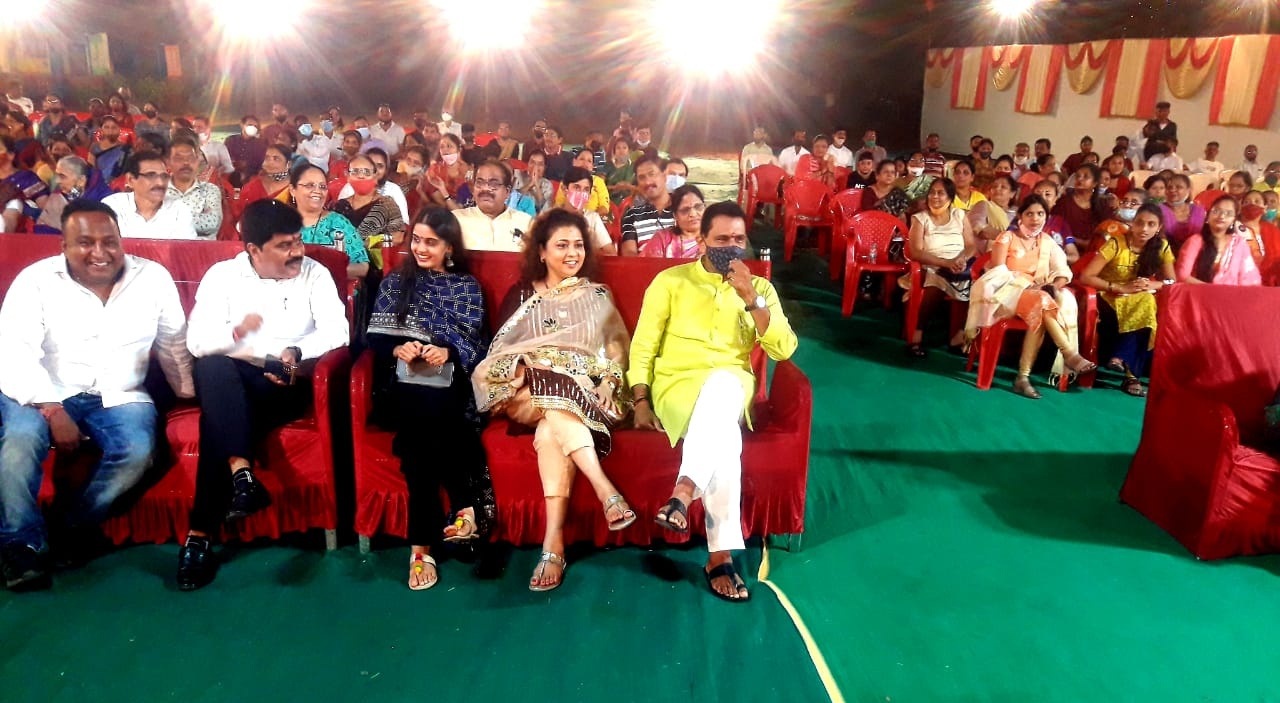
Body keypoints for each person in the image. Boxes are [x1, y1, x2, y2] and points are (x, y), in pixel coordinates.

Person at [0, 200, 194, 591]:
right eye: (85, 243)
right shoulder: (35, 280)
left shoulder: (153, 277)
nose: (100, 252)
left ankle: (71, 528)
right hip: (42, 388)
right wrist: (53, 410)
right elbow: (14, 352)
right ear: (64, 246)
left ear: (122, 240)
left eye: (109, 241)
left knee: (139, 452)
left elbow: (174, 341)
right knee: (19, 443)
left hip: (121, 393)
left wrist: (188, 394)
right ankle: (20, 545)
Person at [176, 199, 350, 590]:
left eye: (298, 241)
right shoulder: (222, 276)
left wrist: (295, 354)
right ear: (253, 249)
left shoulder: (314, 274)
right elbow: (200, 341)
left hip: (288, 381)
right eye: (285, 245)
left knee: (217, 410)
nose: (297, 252)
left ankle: (201, 532)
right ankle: (239, 479)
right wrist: (252, 345)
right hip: (236, 373)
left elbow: (337, 331)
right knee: (214, 368)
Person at [629, 200, 797, 602]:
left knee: (723, 386)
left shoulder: (760, 290)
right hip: (677, 388)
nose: (731, 246)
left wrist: (750, 297)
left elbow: (784, 350)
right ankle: (718, 556)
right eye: (722, 239)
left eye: (739, 239)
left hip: (729, 387)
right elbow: (643, 346)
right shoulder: (671, 281)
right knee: (726, 437)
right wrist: (640, 400)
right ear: (701, 239)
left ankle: (684, 491)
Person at [472, 209, 635, 592]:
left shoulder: (596, 296)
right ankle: (604, 488)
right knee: (550, 384)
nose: (572, 253)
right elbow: (500, 353)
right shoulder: (523, 295)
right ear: (542, 252)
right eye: (562, 245)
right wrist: (532, 366)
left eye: (579, 245)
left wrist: (608, 381)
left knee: (551, 430)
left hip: (580, 395)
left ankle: (553, 542)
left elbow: (615, 351)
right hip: (524, 392)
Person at [367, 207, 494, 590]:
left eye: (431, 242)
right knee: (423, 415)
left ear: (449, 247)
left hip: (450, 383)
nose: (421, 248)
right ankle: (465, 507)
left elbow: (476, 343)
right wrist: (399, 350)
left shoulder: (467, 287)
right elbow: (376, 337)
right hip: (402, 385)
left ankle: (420, 548)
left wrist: (447, 352)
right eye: (416, 240)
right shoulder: (394, 282)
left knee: (419, 439)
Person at [966, 195, 1097, 399]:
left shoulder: (1047, 241)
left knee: (1042, 305)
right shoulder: (1006, 238)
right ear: (1020, 216)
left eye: (1040, 214)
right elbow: (998, 273)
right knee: (1042, 301)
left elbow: (1062, 271)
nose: (1035, 218)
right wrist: (1031, 285)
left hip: (1037, 297)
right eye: (1030, 214)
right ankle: (1069, 353)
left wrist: (1052, 285)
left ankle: (1023, 378)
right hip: (1006, 294)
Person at [1076, 203, 1174, 397]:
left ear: (1159, 227)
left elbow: (1171, 280)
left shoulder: (1161, 247)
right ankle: (1131, 376)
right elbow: (1087, 276)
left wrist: (1153, 285)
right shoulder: (1116, 243)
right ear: (1133, 223)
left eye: (1151, 224)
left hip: (1138, 299)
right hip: (1108, 297)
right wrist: (1120, 288)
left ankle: (1121, 359)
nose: (1144, 229)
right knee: (1146, 307)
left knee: (1146, 302)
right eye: (1140, 223)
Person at [904, 178, 977, 357]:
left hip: (959, 265)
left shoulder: (959, 215)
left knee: (979, 285)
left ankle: (959, 335)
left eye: (940, 193)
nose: (935, 196)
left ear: (950, 197)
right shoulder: (920, 219)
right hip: (931, 265)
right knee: (936, 280)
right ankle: (917, 334)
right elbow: (915, 253)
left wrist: (960, 260)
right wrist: (945, 263)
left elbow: (971, 246)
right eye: (932, 192)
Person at [291, 164, 369, 279]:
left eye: (322, 187)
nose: (317, 191)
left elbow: (362, 267)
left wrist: (327, 272)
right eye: (309, 185)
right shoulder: (280, 223)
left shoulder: (338, 223)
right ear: (292, 190)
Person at [102, 152, 197, 239]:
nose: (160, 183)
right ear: (131, 180)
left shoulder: (179, 210)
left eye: (164, 176)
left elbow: (185, 253)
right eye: (150, 176)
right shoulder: (113, 206)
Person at [333, 154, 406, 267]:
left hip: (376, 267)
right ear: (347, 175)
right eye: (355, 171)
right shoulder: (339, 206)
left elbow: (398, 237)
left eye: (367, 172)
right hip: (342, 266)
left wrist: (370, 242)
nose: (361, 176)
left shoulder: (386, 204)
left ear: (375, 175)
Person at [1175, 195, 1262, 286]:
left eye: (1228, 213)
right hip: (1199, 296)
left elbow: (1250, 279)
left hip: (1232, 297)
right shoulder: (1195, 241)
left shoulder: (1238, 244)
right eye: (1216, 211)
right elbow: (1182, 276)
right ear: (1208, 215)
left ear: (1233, 220)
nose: (1222, 216)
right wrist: (1214, 291)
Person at [454, 160, 534, 252]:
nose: (485, 189)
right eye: (479, 183)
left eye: (494, 184)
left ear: (507, 191)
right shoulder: (457, 220)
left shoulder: (525, 223)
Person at [34, 156, 114, 232]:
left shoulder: (105, 200)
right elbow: (45, 229)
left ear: (81, 181)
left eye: (62, 176)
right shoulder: (60, 194)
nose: (57, 181)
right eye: (57, 176)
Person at [166, 138, 223, 239]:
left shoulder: (210, 190)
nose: (186, 163)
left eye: (191, 158)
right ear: (168, 162)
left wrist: (166, 217)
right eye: (179, 158)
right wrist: (200, 217)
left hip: (203, 253)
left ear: (197, 161)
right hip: (165, 252)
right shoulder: (158, 190)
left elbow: (213, 223)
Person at [335, 148, 410, 223]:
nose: (375, 170)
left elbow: (403, 223)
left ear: (386, 170)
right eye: (370, 165)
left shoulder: (394, 190)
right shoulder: (349, 187)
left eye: (380, 166)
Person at [620, 154, 674, 256]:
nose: (648, 182)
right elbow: (629, 253)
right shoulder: (632, 215)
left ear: (664, 175)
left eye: (652, 174)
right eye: (641, 177)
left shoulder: (682, 210)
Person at [1052, 164, 1112, 251]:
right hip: (1066, 250)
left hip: (1094, 252)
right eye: (1078, 176)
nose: (1080, 179)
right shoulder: (1064, 202)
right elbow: (1055, 230)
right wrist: (1073, 241)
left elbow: (1106, 235)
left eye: (1085, 176)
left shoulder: (1103, 205)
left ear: (1095, 183)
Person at [559, 166, 617, 254]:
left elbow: (611, 254)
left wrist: (590, 247)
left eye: (586, 189)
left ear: (589, 195)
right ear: (564, 189)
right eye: (576, 187)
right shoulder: (552, 218)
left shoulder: (593, 218)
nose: (581, 193)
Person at [640, 184, 705, 259]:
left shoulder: (715, 238)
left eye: (698, 207)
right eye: (685, 210)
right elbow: (647, 267)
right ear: (675, 216)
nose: (693, 214)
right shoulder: (662, 239)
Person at [234, 144, 293, 222]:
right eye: (267, 158)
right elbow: (238, 213)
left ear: (289, 164)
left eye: (276, 159)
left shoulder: (297, 189)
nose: (270, 162)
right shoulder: (253, 185)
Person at [553, 149, 611, 217]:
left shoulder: (599, 182)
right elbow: (558, 205)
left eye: (589, 161)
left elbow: (604, 208)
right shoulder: (566, 181)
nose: (585, 163)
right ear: (574, 161)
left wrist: (589, 218)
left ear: (592, 166)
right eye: (582, 159)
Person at [1159, 173, 1206, 252]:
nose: (1172, 190)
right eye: (1169, 187)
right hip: (1166, 253)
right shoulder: (1158, 210)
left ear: (1188, 190)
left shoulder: (1198, 211)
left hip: (1195, 252)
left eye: (1179, 187)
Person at [423, 134, 471, 208]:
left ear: (459, 150)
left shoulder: (468, 170)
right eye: (442, 147)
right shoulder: (434, 170)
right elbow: (440, 201)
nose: (445, 150)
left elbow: (470, 195)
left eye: (449, 146)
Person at [224, 115, 267, 188]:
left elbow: (262, 164)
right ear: (242, 125)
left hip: (250, 181)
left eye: (255, 126)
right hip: (229, 179)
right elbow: (223, 158)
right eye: (250, 125)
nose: (253, 128)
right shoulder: (231, 140)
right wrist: (235, 163)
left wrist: (247, 167)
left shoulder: (260, 144)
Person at [603, 137, 636, 205]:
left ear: (629, 150)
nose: (621, 150)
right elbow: (600, 185)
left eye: (624, 147)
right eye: (618, 148)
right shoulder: (608, 165)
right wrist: (614, 188)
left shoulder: (634, 167)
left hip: (629, 205)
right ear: (614, 151)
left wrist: (628, 187)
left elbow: (639, 188)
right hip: (607, 202)